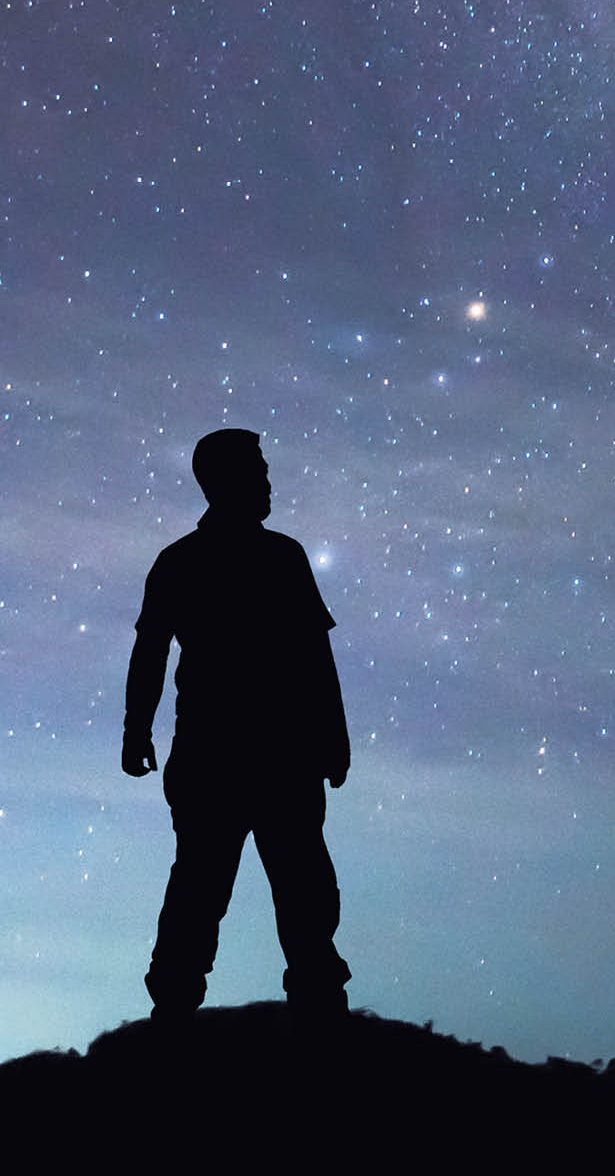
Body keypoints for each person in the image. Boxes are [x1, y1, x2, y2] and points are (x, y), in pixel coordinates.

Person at [122, 428, 352, 1020]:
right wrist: (135, 729)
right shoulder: (198, 561)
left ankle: (311, 1004)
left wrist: (333, 736)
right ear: (226, 481)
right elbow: (150, 652)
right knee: (206, 887)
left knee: (293, 888)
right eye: (258, 471)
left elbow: (312, 654)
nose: (268, 482)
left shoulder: (272, 556)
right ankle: (177, 1007)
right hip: (230, 756)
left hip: (259, 755)